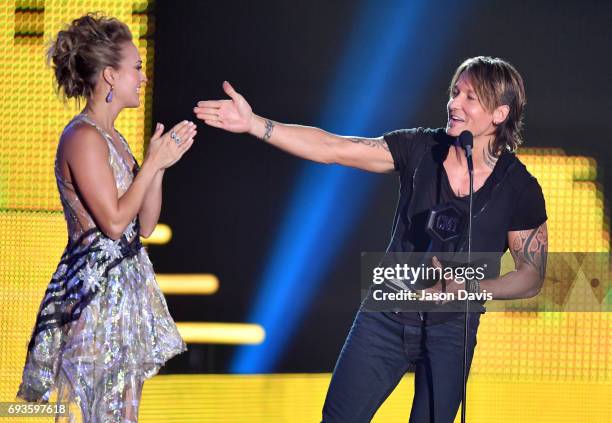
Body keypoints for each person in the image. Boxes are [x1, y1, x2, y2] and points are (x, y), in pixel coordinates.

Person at [194, 56, 548, 422]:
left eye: (469, 97)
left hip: (452, 330)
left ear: (499, 114)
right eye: (455, 92)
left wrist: (471, 287)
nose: (454, 103)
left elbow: (531, 275)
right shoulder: (421, 148)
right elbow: (334, 148)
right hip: (386, 312)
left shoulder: (519, 189)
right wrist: (255, 124)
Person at [17, 14, 195, 422]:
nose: (143, 77)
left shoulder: (114, 137)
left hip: (125, 294)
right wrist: (150, 166)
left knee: (124, 413)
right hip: (96, 299)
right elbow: (113, 224)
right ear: (110, 76)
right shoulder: (82, 138)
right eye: (136, 68)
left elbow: (143, 226)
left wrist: (159, 166)